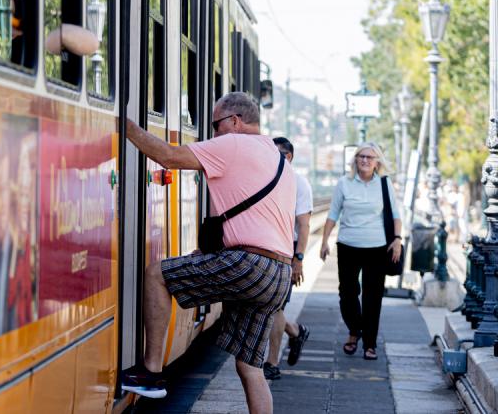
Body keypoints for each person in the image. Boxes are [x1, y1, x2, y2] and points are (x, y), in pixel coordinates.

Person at [120, 92, 296, 414]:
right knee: (250, 368)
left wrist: (123, 124)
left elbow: (169, 157)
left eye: (215, 126)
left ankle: (152, 374)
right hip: (278, 274)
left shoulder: (233, 143)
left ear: (234, 122)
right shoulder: (277, 158)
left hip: (250, 265)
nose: (213, 135)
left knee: (157, 275)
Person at [320, 142, 402, 361]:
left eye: (370, 157)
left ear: (377, 163)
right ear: (355, 159)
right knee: (347, 294)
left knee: (372, 297)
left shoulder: (384, 184)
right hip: (347, 245)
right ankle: (355, 330)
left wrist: (397, 239)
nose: (365, 160)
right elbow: (333, 213)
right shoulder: (344, 183)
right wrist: (325, 241)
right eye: (361, 156)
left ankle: (369, 343)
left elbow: (395, 214)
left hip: (377, 247)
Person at [263, 137, 312, 380]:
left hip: (287, 248)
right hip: (266, 244)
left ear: (288, 157)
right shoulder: (264, 176)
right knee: (271, 305)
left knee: (275, 306)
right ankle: (295, 331)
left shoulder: (299, 183)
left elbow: (303, 226)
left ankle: (272, 363)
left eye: (278, 153)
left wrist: (298, 259)